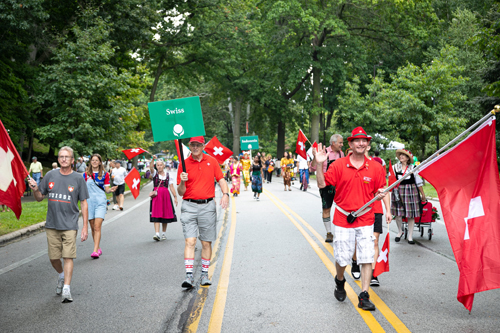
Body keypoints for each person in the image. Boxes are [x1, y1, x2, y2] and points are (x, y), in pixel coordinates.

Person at [314, 127, 389, 311]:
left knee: (366, 256)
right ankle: (340, 280)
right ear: (350, 143)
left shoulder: (376, 168)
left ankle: (364, 294)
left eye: (364, 140)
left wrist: (381, 196)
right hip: (342, 218)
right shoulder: (339, 165)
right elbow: (322, 183)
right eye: (357, 140)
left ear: (368, 144)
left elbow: (381, 189)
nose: (361, 143)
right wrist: (319, 164)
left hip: (366, 218)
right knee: (342, 258)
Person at [28, 146, 89, 303]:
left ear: (72, 160)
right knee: (54, 258)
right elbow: (40, 197)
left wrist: (84, 227)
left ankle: (67, 289)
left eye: (67, 157)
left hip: (70, 224)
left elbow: (83, 203)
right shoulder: (50, 175)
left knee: (68, 255)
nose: (63, 159)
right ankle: (61, 275)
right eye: (61, 156)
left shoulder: (78, 178)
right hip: (52, 225)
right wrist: (35, 189)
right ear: (58, 159)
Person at [177, 136, 229, 288]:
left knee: (206, 242)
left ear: (203, 145)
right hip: (189, 206)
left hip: (207, 206)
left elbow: (221, 179)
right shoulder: (184, 164)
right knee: (190, 241)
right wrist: (182, 181)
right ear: (189, 146)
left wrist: (225, 194)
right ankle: (189, 276)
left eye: (198, 145)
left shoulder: (212, 161)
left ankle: (204, 274)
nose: (195, 147)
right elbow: (181, 192)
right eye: (193, 145)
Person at [310, 134, 344, 243]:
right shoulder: (324, 152)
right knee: (326, 208)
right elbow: (312, 168)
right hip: (326, 185)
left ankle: (342, 231)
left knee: (343, 209)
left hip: (339, 185)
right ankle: (329, 233)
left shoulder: (341, 154)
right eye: (340, 143)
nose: (342, 145)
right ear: (333, 143)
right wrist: (316, 158)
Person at [83, 154, 117, 258]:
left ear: (100, 162)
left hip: (100, 202)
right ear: (90, 162)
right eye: (92, 160)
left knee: (97, 226)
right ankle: (97, 247)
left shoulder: (105, 174)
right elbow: (83, 189)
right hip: (89, 203)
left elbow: (106, 189)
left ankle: (95, 251)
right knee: (93, 227)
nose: (94, 162)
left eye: (96, 160)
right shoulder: (85, 175)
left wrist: (110, 190)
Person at [391, 149, 426, 245]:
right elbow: (391, 180)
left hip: (411, 191)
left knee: (411, 214)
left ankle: (410, 236)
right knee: (398, 214)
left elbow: (418, 182)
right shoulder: (395, 167)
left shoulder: (413, 168)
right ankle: (399, 231)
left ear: (408, 158)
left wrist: (422, 194)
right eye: (400, 155)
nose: (401, 156)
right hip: (398, 191)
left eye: (404, 155)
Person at [148, 157, 178, 241]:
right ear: (156, 166)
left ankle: (164, 233)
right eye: (158, 165)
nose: (159, 166)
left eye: (161, 165)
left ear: (164, 166)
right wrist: (153, 160)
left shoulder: (169, 175)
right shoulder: (154, 174)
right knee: (156, 213)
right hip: (157, 196)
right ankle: (157, 234)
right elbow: (151, 168)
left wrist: (175, 197)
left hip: (165, 195)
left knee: (165, 213)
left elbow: (171, 187)